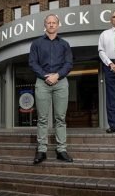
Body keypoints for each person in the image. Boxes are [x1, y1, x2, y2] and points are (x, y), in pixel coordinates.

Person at [29, 14, 74, 164]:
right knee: (42, 118)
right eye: (49, 23)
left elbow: (68, 63)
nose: (51, 25)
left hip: (61, 82)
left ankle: (61, 149)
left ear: (58, 25)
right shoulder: (36, 44)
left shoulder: (65, 44)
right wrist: (45, 76)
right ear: (45, 25)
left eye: (54, 22)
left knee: (60, 118)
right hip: (42, 82)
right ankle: (41, 150)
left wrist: (57, 75)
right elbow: (33, 63)